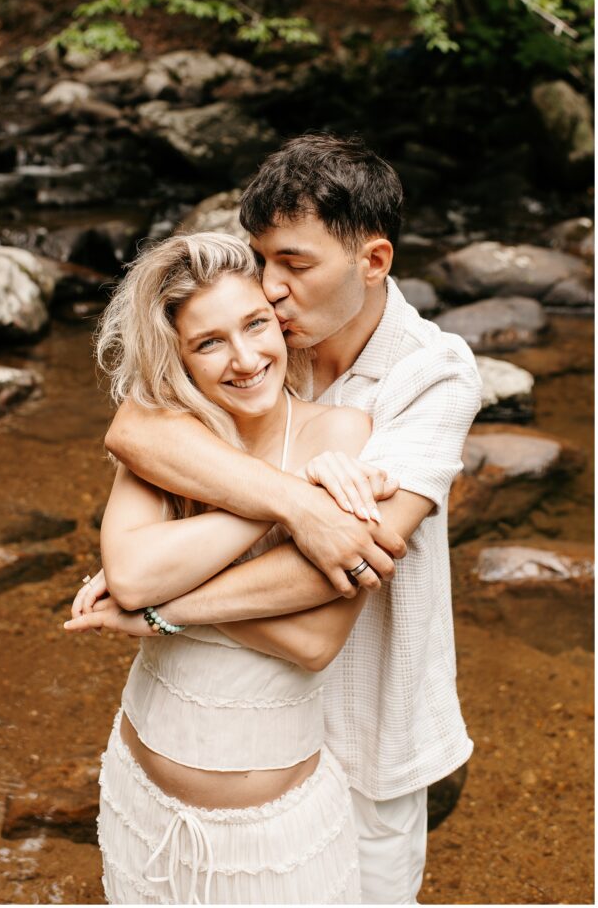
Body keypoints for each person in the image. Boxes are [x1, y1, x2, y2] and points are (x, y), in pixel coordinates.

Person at [96, 133, 483, 904]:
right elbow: (134, 431)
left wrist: (157, 606)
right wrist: (295, 497)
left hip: (366, 721)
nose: (268, 289)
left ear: (372, 262)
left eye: (294, 266)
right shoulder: (264, 341)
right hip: (231, 713)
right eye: (261, 256)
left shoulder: (432, 374)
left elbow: (355, 552)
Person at [65, 232, 404, 904]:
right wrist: (289, 501)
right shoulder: (170, 436)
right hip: (140, 800)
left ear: (279, 322)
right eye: (208, 342)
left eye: (255, 326)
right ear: (178, 357)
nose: (245, 359)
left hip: (274, 837)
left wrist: (164, 609)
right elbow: (131, 574)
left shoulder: (336, 436)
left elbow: (315, 641)